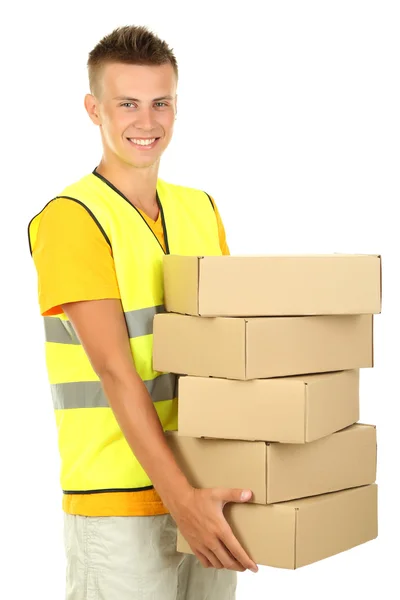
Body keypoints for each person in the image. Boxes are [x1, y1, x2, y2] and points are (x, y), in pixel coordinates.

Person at [28, 24, 258, 600]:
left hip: (208, 490)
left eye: (161, 103)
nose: (146, 121)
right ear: (93, 109)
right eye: (126, 103)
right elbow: (114, 372)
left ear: (177, 107)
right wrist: (183, 504)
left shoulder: (199, 207)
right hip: (119, 504)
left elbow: (232, 346)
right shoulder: (72, 217)